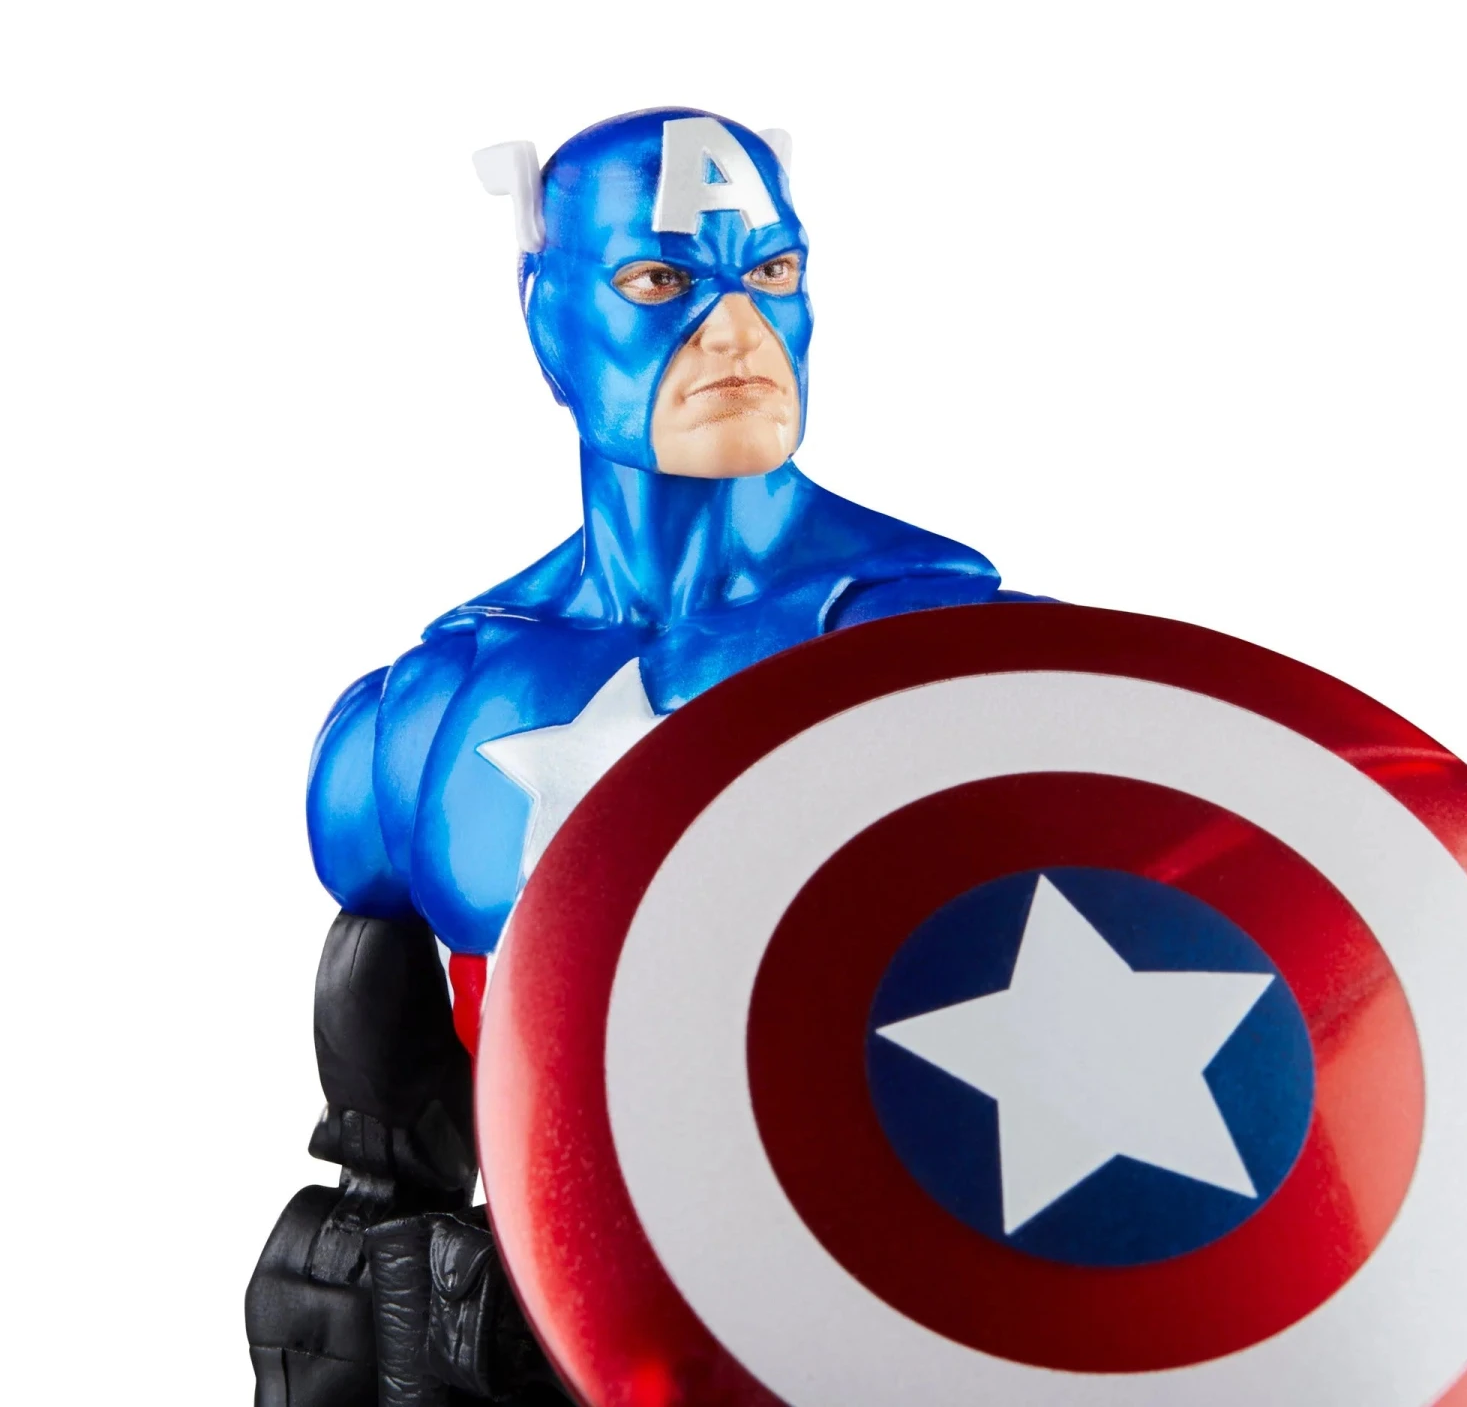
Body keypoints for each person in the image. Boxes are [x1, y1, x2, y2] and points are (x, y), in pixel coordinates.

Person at [246, 108, 1039, 1406]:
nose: (737, 330)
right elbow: (385, 1143)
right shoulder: (426, 707)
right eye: (663, 281)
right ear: (543, 317)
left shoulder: (959, 661)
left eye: (771, 273)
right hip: (542, 1340)